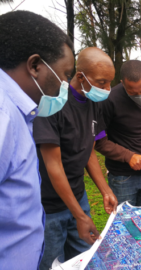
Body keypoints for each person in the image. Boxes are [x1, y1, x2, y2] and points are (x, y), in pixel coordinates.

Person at [0, 11, 74, 269]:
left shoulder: (19, 114)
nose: (66, 85)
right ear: (35, 66)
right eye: (65, 75)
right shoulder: (3, 116)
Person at [34, 47, 118, 270]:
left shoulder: (93, 103)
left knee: (83, 258)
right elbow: (53, 164)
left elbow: (88, 150)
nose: (107, 89)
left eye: (110, 82)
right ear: (81, 77)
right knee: (52, 263)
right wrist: (79, 216)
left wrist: (105, 190)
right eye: (102, 83)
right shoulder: (52, 103)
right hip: (49, 207)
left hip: (78, 196)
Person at [95, 60, 141, 207]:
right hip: (122, 177)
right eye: (132, 92)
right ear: (122, 83)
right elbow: (99, 141)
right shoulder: (109, 99)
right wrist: (129, 156)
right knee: (125, 225)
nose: (139, 96)